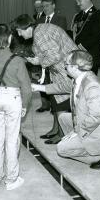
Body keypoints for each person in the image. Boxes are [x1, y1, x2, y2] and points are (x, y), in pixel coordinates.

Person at [0, 24, 32, 190]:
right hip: (13, 98)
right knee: (12, 139)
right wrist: (24, 105)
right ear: (10, 39)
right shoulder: (17, 60)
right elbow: (26, 87)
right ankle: (11, 179)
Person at [15, 14, 78, 144]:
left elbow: (54, 56)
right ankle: (56, 130)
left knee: (61, 104)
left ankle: (62, 134)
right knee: (55, 101)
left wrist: (38, 62)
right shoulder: (41, 29)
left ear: (27, 27)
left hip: (67, 70)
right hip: (62, 68)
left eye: (19, 31)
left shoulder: (39, 34)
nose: (19, 35)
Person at [56, 50, 100, 169]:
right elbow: (61, 87)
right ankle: (82, 145)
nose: (64, 67)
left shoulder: (92, 85)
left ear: (75, 67)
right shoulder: (80, 77)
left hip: (98, 129)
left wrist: (77, 132)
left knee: (61, 149)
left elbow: (95, 117)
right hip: (88, 122)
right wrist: (38, 87)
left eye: (66, 64)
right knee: (63, 118)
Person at [36, 0, 68, 113]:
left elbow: (59, 37)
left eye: (47, 5)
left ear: (53, 6)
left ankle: (57, 107)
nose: (45, 8)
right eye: (43, 6)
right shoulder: (39, 20)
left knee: (56, 83)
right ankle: (45, 104)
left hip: (56, 57)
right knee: (43, 81)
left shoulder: (61, 19)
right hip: (43, 57)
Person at [71, 0, 100, 74]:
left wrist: (80, 47)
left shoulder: (98, 14)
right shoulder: (78, 16)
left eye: (79, 1)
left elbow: (95, 36)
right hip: (77, 55)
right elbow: (75, 34)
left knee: (89, 83)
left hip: (90, 55)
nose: (78, 4)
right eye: (77, 1)